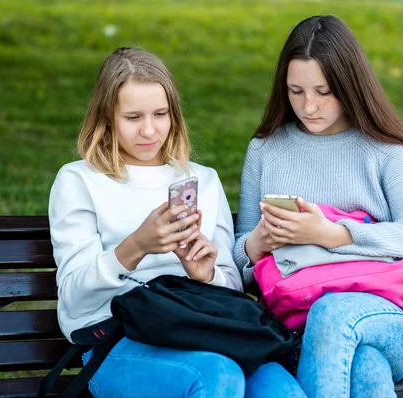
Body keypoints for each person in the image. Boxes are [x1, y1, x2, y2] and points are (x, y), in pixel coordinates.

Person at [49, 47, 305, 398]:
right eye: (133, 117)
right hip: (115, 341)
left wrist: (206, 274)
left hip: (197, 328)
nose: (149, 130)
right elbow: (75, 299)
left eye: (160, 114)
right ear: (107, 117)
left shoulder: (203, 180)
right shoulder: (79, 181)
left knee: (282, 391)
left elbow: (228, 286)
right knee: (216, 376)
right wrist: (135, 247)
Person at [234, 16, 403, 397]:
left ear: (350, 86)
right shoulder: (265, 150)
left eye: (324, 92)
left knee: (332, 313)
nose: (308, 106)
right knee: (367, 370)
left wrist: (331, 235)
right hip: (296, 323)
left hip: (390, 320)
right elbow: (239, 265)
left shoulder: (387, 152)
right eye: (296, 91)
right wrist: (258, 242)